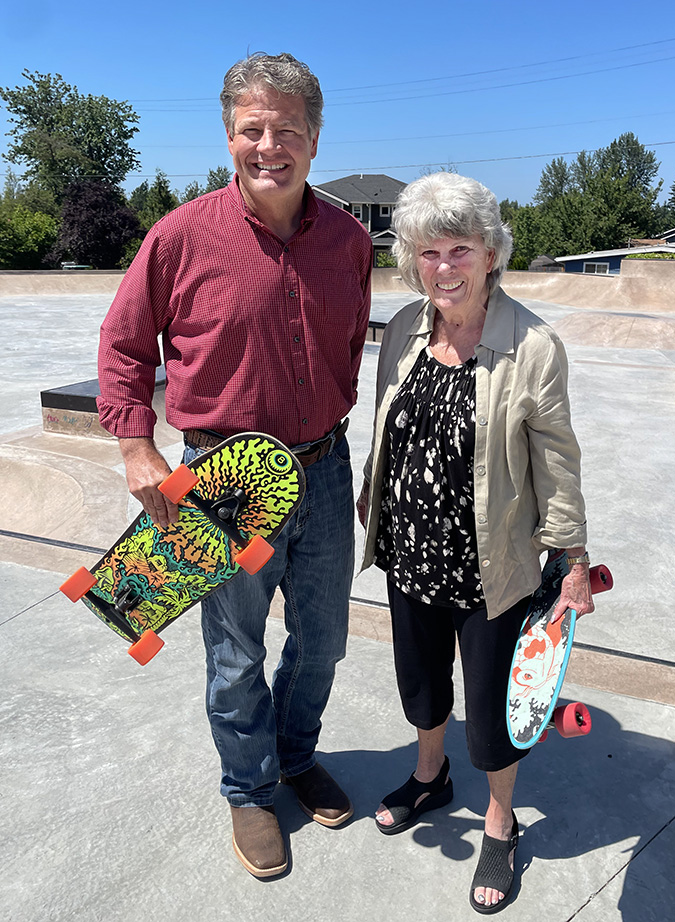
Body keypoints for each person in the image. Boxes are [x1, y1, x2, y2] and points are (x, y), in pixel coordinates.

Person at [97, 52, 372, 879]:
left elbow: (353, 344)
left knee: (322, 642)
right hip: (224, 477)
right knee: (236, 652)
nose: (269, 145)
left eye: (288, 129)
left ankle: (294, 754)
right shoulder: (179, 237)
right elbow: (122, 344)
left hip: (324, 469)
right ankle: (249, 790)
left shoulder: (352, 241)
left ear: (316, 139)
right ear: (229, 137)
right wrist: (136, 441)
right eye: (253, 129)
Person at [356, 172, 593, 914]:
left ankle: (500, 821)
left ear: (491, 253)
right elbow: (389, 422)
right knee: (422, 684)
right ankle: (432, 778)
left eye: (461, 248)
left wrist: (575, 558)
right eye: (428, 252)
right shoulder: (401, 328)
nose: (444, 267)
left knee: (492, 712)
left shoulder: (533, 345)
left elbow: (557, 463)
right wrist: (373, 487)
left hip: (492, 563)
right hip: (409, 551)